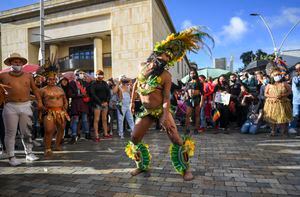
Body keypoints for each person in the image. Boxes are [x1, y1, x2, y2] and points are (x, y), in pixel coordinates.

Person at [125, 27, 213, 181]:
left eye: (170, 57)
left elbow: (166, 98)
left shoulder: (166, 75)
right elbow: (135, 83)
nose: (167, 59)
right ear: (157, 53)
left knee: (175, 137)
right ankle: (141, 165)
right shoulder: (141, 66)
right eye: (166, 55)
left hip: (160, 109)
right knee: (134, 138)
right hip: (146, 111)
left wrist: (165, 116)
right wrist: (132, 101)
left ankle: (186, 169)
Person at [0, 53, 43, 166]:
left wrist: (40, 102)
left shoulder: (28, 76)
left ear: (22, 64)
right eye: (15, 62)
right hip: (10, 106)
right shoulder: (3, 76)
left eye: (19, 62)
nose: (17, 64)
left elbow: (35, 89)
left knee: (27, 132)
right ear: (10, 63)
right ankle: (11, 156)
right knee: (10, 133)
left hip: (26, 105)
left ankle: (29, 153)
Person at [40, 68, 69, 158]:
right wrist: (42, 108)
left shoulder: (60, 89)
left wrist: (65, 107)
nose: (52, 81)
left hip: (61, 111)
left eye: (53, 79)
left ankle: (57, 145)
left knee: (61, 128)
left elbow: (65, 100)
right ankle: (47, 148)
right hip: (49, 112)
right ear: (46, 80)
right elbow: (38, 101)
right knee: (49, 130)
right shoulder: (42, 90)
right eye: (50, 79)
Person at [263, 68, 292, 137]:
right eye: (276, 75)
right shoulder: (269, 85)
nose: (278, 76)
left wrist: (282, 95)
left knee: (283, 118)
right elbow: (265, 94)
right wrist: (273, 96)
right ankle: (273, 131)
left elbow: (289, 92)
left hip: (283, 103)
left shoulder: (284, 84)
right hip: (272, 104)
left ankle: (283, 132)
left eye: (279, 74)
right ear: (272, 76)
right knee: (272, 118)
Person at [69, 69, 90, 144]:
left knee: (85, 120)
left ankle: (87, 134)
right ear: (76, 74)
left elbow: (89, 92)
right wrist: (80, 95)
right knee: (75, 120)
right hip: (76, 103)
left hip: (84, 103)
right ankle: (74, 135)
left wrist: (85, 95)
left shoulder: (85, 83)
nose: (82, 74)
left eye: (83, 73)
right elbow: (70, 94)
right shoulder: (72, 83)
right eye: (80, 73)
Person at [90, 70, 111, 142]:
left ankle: (105, 133)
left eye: (101, 75)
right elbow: (93, 94)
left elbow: (109, 93)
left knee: (105, 119)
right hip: (97, 103)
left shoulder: (105, 83)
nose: (100, 76)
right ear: (96, 75)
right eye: (98, 75)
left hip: (105, 103)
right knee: (96, 119)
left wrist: (107, 101)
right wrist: (100, 102)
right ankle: (96, 135)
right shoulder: (93, 83)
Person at [184, 68, 204, 134]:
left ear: (196, 74)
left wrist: (201, 102)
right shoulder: (187, 83)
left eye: (193, 73)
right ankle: (187, 129)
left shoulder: (200, 83)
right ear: (189, 75)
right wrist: (186, 96)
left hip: (197, 99)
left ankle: (196, 129)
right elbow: (186, 92)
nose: (192, 74)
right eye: (191, 73)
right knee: (187, 115)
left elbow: (202, 93)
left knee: (197, 115)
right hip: (189, 100)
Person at [289, 63, 300, 135]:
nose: (297, 70)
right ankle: (291, 128)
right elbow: (297, 83)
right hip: (297, 101)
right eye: (297, 68)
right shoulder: (295, 77)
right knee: (295, 115)